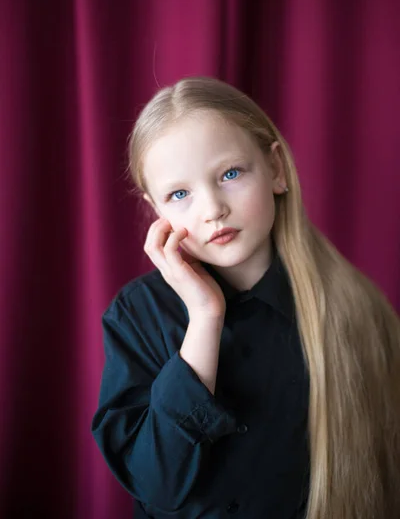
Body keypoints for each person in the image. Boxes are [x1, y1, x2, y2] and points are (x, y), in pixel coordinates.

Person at [91, 77, 400, 519]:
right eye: (180, 194)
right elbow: (157, 485)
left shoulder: (356, 308)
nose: (212, 208)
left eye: (230, 174)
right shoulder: (136, 316)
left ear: (275, 169)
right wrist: (205, 316)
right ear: (156, 210)